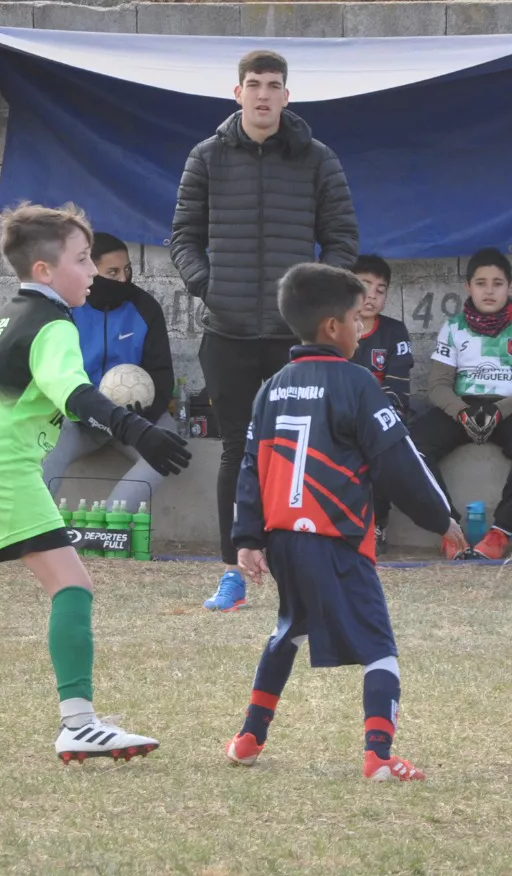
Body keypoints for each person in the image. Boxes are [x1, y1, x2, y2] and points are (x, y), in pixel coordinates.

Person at [0, 204, 191, 762]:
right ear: (46, 271)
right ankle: (78, 722)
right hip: (0, 471)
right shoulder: (52, 325)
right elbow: (74, 393)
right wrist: (138, 432)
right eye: (82, 260)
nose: (94, 272)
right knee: (73, 584)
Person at [223, 262, 466, 781]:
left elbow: (250, 466)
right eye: (357, 318)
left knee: (289, 630)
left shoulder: (272, 388)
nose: (362, 327)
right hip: (337, 542)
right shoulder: (357, 384)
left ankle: (248, 738)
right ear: (333, 327)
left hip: (285, 541)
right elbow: (399, 460)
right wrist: (440, 519)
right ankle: (378, 756)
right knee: (380, 646)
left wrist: (246, 537)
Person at [170, 49, 359, 613]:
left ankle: (303, 566)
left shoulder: (317, 158)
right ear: (237, 93)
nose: (263, 94)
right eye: (253, 84)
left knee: (299, 450)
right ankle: (233, 570)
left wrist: (313, 303)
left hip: (292, 337)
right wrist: (209, 287)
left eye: (273, 85)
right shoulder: (205, 157)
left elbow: (343, 239)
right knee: (237, 450)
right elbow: (182, 236)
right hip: (225, 332)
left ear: (286, 95)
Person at [408, 248, 512, 560]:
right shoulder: (453, 327)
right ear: (468, 287)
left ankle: (501, 532)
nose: (489, 290)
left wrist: (501, 410)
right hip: (464, 406)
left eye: (497, 283)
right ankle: (450, 529)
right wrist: (461, 411)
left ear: (510, 287)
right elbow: (437, 385)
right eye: (481, 283)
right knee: (412, 447)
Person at [41, 232, 177, 512]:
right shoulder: (66, 308)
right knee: (42, 456)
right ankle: (33, 531)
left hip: (134, 420)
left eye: (127, 270)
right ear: (91, 270)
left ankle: (111, 524)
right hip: (79, 420)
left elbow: (162, 373)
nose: (123, 280)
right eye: (112, 272)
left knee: (169, 445)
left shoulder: (145, 307)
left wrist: (143, 417)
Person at [349, 254, 414, 552]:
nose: (372, 296)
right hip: (341, 416)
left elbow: (399, 386)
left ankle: (377, 525)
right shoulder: (334, 327)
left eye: (380, 289)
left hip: (382, 416)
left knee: (378, 445)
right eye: (365, 286)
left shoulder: (394, 331)